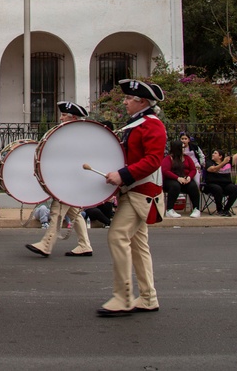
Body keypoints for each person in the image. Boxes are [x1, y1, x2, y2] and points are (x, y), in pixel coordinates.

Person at [97, 79, 167, 317]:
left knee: (117, 236)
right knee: (138, 247)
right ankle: (148, 298)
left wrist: (122, 175)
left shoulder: (152, 125)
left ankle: (123, 297)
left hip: (142, 191)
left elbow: (153, 160)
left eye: (128, 98)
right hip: (134, 190)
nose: (124, 102)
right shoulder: (138, 123)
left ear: (142, 102)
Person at [25, 101, 95, 258]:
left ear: (74, 118)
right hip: (67, 181)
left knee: (57, 211)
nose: (61, 118)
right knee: (74, 213)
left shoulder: (79, 137)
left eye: (64, 115)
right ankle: (85, 245)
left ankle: (46, 244)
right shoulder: (69, 135)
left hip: (70, 182)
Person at [204, 139, 237, 217]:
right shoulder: (209, 162)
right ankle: (219, 210)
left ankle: (226, 209)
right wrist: (223, 163)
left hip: (226, 184)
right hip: (212, 184)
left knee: (234, 189)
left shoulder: (229, 162)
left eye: (215, 153)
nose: (213, 154)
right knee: (218, 189)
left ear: (220, 156)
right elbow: (213, 169)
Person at [162, 139, 201, 218]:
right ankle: (169, 209)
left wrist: (189, 177)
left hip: (185, 179)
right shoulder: (168, 158)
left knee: (193, 186)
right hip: (171, 180)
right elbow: (165, 171)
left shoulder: (187, 158)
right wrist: (177, 178)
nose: (184, 149)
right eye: (182, 147)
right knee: (175, 186)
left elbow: (193, 169)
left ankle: (196, 209)